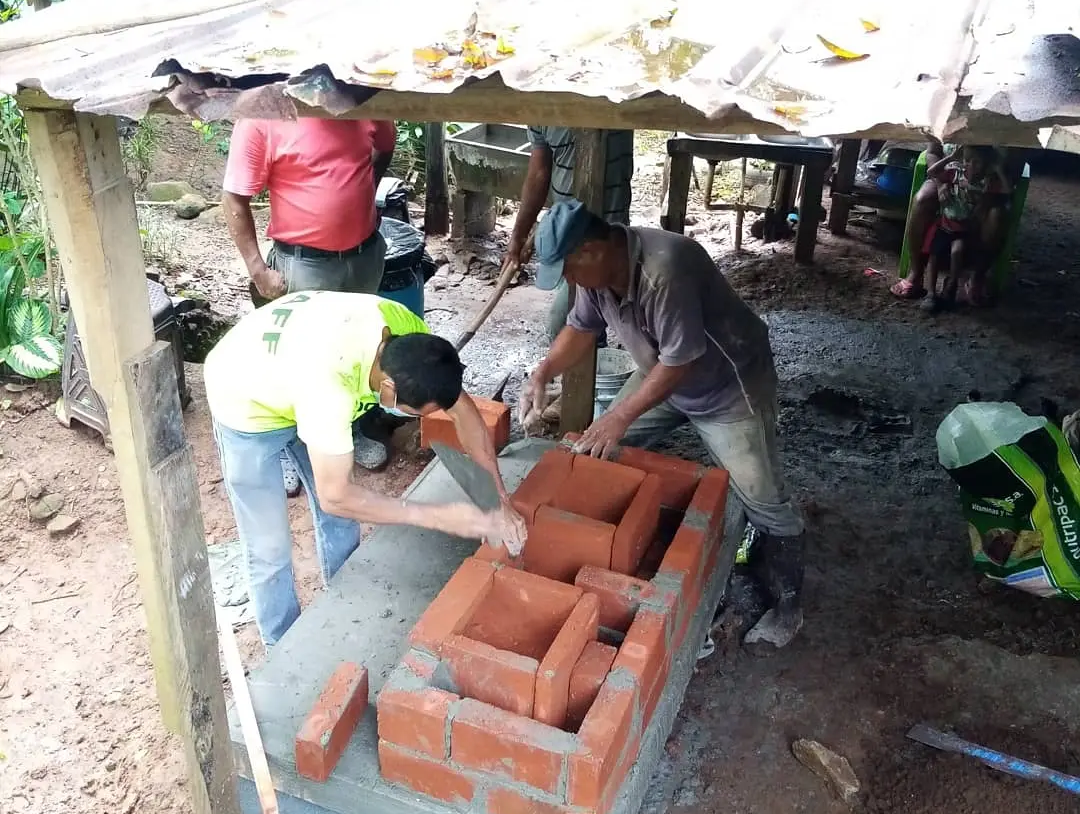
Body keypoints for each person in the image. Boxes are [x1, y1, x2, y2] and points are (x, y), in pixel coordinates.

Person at [518, 201, 805, 649]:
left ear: (593, 250)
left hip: (726, 385)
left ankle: (788, 606)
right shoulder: (597, 276)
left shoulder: (664, 270)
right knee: (599, 447)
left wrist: (620, 414)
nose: (569, 281)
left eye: (570, 269)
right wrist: (541, 373)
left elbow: (682, 360)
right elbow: (581, 327)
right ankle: (600, 540)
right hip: (660, 368)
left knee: (763, 498)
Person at [203, 290, 526, 647]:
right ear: (388, 388)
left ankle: (341, 600)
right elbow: (336, 496)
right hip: (247, 399)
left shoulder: (408, 334)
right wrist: (441, 516)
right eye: (419, 414)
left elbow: (463, 411)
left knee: (342, 519)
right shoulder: (329, 388)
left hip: (296, 366)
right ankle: (282, 649)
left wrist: (496, 496)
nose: (424, 420)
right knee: (269, 548)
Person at [222, 117, 398, 474]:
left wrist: (367, 195)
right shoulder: (262, 118)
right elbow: (234, 198)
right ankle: (287, 444)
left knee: (357, 348)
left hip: (363, 255)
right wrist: (258, 270)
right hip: (303, 263)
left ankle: (348, 431)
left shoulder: (363, 102)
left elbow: (385, 146)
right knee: (296, 358)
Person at [502, 126, 634, 339]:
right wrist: (519, 235)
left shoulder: (612, 98)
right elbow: (538, 173)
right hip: (563, 239)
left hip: (602, 236)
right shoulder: (538, 108)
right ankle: (590, 362)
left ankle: (589, 365)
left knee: (566, 324)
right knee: (581, 322)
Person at [891, 141, 1010, 307]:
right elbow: (932, 152)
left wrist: (990, 186)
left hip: (986, 185)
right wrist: (940, 185)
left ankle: (977, 277)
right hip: (946, 177)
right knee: (922, 200)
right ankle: (917, 273)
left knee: (997, 214)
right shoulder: (946, 119)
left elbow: (1013, 166)